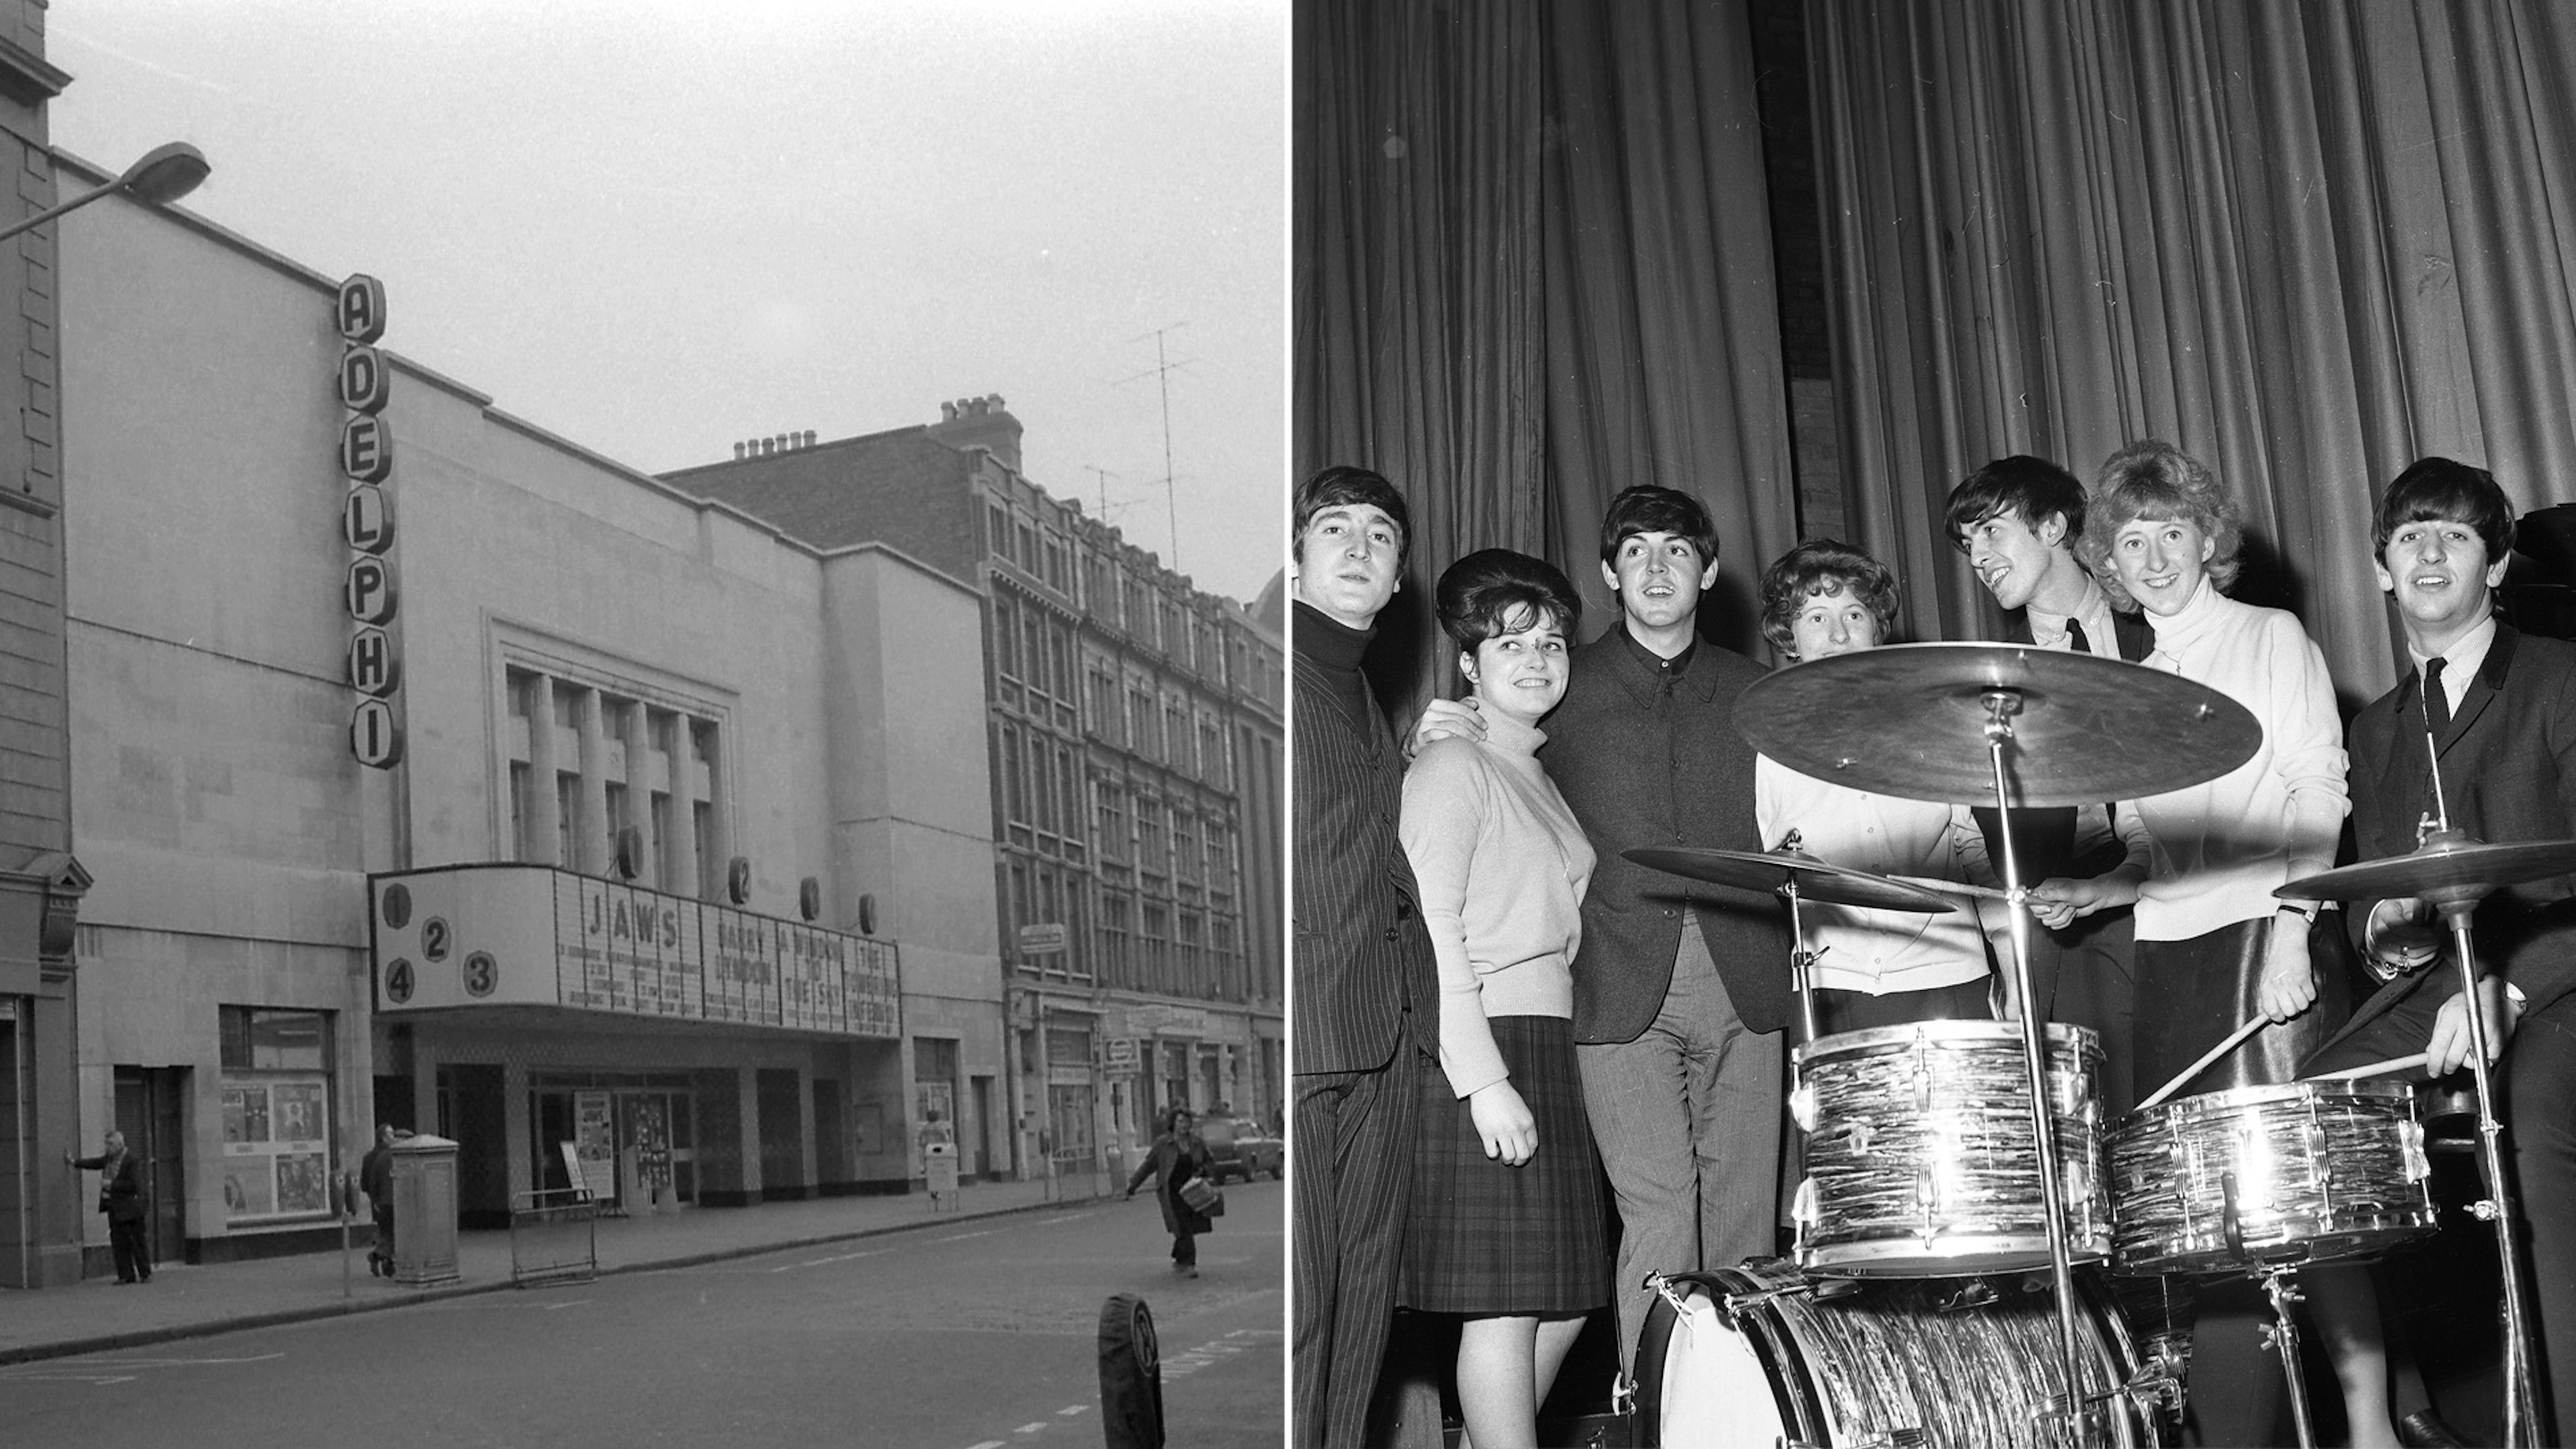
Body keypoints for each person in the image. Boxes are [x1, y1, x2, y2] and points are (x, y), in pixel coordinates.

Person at [1417, 484, 1790, 1377]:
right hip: (1612, 991)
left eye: (1675, 550)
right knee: (1659, 1216)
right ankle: (1656, 1413)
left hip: (1749, 986)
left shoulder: (1760, 693)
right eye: (1635, 551)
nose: (1656, 567)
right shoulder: (1559, 683)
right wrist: (1433, 727)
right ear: (1609, 574)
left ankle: (1740, 1418)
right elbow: (1477, 754)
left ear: (1707, 571)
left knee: (1743, 1222)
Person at [2053, 439, 2351, 1448]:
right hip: (2172, 954)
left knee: (2280, 1220)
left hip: (2262, 947)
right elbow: (2159, 850)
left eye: (2171, 531)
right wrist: (2095, 890)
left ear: (2208, 538)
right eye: (2130, 540)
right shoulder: (2137, 680)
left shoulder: (2270, 635)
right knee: (2204, 1229)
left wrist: (2294, 933)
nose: (2153, 556)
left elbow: (2317, 791)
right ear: (2108, 561)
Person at [2297, 457, 2576, 1448]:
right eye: (2411, 533)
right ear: (2380, 567)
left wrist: (2509, 988)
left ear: (2496, 567)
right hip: (2445, 985)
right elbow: (2378, 897)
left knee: (2536, 1131)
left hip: (2562, 973)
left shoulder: (2560, 677)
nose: (2429, 551)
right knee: (2305, 1130)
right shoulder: (2376, 729)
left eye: (2455, 534)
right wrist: (2377, 936)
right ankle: (2399, 1410)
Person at [1397, 549, 1609, 1449]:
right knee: (1509, 1308)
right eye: (1509, 643)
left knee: (1563, 1301)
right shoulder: (1452, 764)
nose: (1536, 659)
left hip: (1548, 1041)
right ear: (1469, 666)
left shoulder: (1533, 770)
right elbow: (1430, 925)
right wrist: (1481, 1076)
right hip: (1486, 1038)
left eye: (1553, 642)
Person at [1290, 465, 1440, 1449]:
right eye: (1334, 529)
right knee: (1303, 1320)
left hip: (1381, 1041)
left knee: (1362, 1314)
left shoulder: (1365, 697)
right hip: (1307, 1043)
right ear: (1296, 560)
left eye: (1380, 537)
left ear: (1395, 583)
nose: (1358, 547)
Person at [1945, 456, 2155, 1112]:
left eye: (1991, 531)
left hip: (2162, 917)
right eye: (1967, 541)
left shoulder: (2159, 639)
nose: (1977, 555)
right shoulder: (1983, 682)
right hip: (2047, 938)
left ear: (2055, 526)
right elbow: (1967, 836)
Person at [1752, 541, 2007, 1036]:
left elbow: (1975, 853)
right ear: (1791, 638)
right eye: (1816, 618)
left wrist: (2011, 970)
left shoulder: (1935, 726)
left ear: (1876, 628)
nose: (1838, 634)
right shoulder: (1771, 746)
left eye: (1854, 613)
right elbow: (1776, 865)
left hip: (1949, 972)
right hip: (1833, 986)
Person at [1125, 1105, 1217, 1278]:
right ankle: (1190, 1264)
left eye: (1187, 1122)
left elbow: (1209, 1161)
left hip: (1193, 1190)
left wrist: (1205, 1172)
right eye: (1181, 1121)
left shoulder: (1197, 1142)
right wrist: (1133, 1185)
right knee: (1182, 1225)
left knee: (1185, 1227)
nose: (1184, 1126)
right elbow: (1148, 1166)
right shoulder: (1163, 1144)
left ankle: (1179, 1257)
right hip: (1171, 1192)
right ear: (1173, 1123)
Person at [66, 1130, 151, 1285]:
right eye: (106, 1144)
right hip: (114, 1207)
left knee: (136, 1242)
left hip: (131, 1209)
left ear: (120, 1144)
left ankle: (145, 1273)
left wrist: (112, 1185)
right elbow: (95, 1163)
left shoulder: (131, 1161)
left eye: (110, 1144)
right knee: (119, 1243)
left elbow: (134, 1185)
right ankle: (126, 1275)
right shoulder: (109, 1160)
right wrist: (75, 1162)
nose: (107, 1147)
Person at [361, 1123, 399, 1278]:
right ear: (382, 1137)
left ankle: (382, 1259)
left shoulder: (369, 1157)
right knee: (393, 1233)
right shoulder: (390, 1156)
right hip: (387, 1200)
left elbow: (366, 1184)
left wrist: (374, 1200)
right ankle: (384, 1259)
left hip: (378, 1202)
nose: (394, 1137)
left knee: (387, 1234)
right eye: (391, 1134)